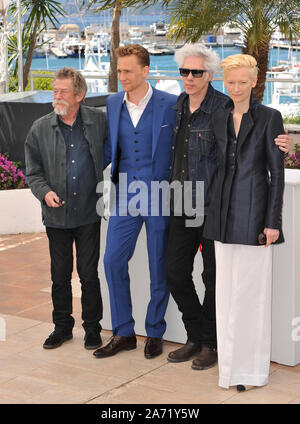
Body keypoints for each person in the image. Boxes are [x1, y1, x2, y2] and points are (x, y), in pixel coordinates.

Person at [166, 44, 290, 371]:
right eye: (184, 72)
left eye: (196, 72)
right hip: (181, 202)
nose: (189, 78)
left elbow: (257, 150)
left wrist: (284, 143)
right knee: (175, 274)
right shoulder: (178, 105)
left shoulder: (222, 106)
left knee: (213, 279)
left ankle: (211, 344)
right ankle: (195, 334)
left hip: (214, 206)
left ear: (209, 76)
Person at [204, 54, 285, 391]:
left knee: (252, 298)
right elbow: (214, 167)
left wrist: (272, 222)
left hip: (255, 219)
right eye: (230, 82)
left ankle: (252, 373)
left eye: (241, 82)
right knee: (225, 297)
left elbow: (276, 175)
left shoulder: (270, 118)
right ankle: (229, 371)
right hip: (221, 218)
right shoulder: (218, 116)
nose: (235, 89)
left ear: (254, 82)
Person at [93, 44, 177, 359]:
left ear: (145, 70)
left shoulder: (171, 104)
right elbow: (103, 147)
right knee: (113, 261)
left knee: (159, 266)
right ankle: (124, 332)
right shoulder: (113, 103)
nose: (122, 76)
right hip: (125, 194)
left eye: (128, 70)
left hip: (160, 195)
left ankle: (154, 331)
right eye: (119, 70)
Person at [25, 67, 107, 350]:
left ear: (79, 95)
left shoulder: (99, 121)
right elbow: (32, 172)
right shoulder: (39, 128)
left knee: (88, 274)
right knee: (59, 275)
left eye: (63, 91)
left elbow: (112, 152)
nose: (56, 96)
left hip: (88, 213)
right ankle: (62, 327)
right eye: (54, 91)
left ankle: (93, 329)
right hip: (56, 216)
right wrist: (44, 192)